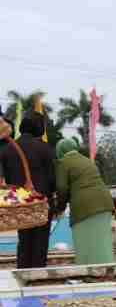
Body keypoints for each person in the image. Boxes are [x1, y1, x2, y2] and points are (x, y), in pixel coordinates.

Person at [0, 113, 55, 268]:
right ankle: (37, 275)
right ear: (39, 127)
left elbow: (8, 180)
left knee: (24, 238)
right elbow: (52, 178)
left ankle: (22, 271)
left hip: (20, 203)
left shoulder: (8, 149)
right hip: (41, 202)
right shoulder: (44, 148)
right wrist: (52, 197)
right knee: (40, 241)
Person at [53, 138, 115, 265]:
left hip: (85, 206)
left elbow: (61, 187)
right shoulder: (87, 160)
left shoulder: (64, 162)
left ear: (60, 150)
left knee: (85, 239)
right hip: (105, 202)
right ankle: (106, 268)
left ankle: (87, 268)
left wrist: (60, 207)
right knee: (102, 240)